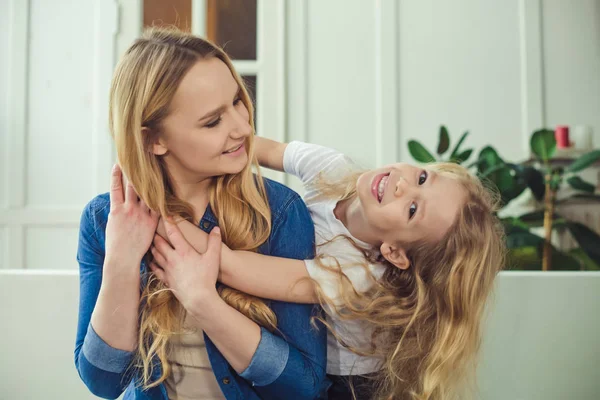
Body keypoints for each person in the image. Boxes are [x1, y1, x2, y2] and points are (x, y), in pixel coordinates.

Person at [74, 28, 328, 400]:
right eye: (213, 122)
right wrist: (122, 261)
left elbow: (302, 386)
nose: (243, 127)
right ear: (153, 140)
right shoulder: (103, 219)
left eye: (238, 101)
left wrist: (202, 302)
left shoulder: (280, 212)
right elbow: (103, 382)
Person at [151, 138, 506, 399]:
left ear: (395, 252)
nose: (402, 184)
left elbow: (231, 267)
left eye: (412, 209)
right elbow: (257, 148)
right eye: (423, 178)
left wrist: (159, 211)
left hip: (346, 385)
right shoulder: (334, 170)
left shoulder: (354, 276)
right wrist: (193, 149)